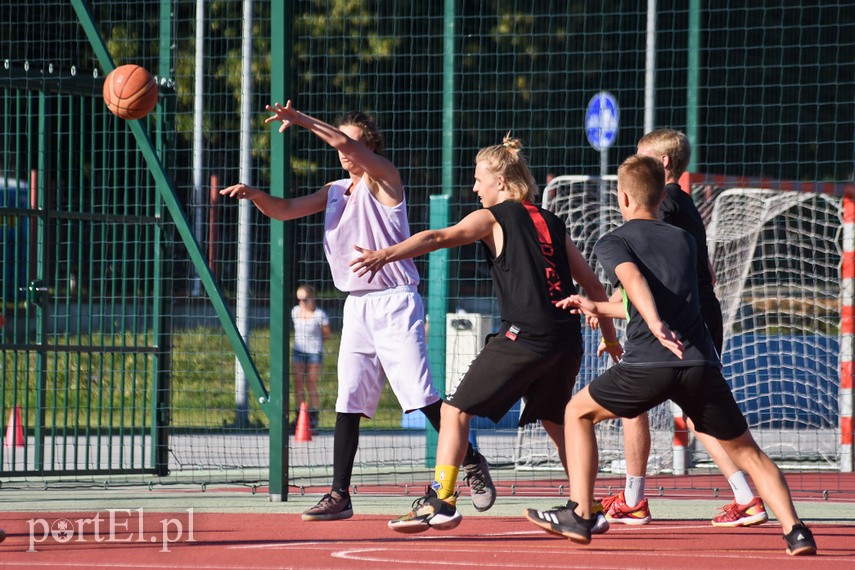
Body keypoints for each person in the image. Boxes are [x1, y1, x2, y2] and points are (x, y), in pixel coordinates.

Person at [525, 154, 816, 556]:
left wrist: (656, 325)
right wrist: (600, 307)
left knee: (577, 413)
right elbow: (660, 297)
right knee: (747, 450)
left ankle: (579, 513)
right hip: (698, 363)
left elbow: (632, 280)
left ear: (622, 197)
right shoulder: (685, 240)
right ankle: (796, 530)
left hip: (650, 363)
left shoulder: (615, 240)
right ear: (663, 196)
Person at [221, 101, 494, 521]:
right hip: (358, 306)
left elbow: (344, 141)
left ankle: (472, 460)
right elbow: (287, 210)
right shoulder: (334, 191)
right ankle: (339, 494)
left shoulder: (385, 179)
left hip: (396, 300)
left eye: (353, 144)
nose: (345, 151)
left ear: (370, 148)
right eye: (341, 145)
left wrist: (301, 119)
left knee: (421, 396)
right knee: (347, 398)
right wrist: (256, 196)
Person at [350, 136, 621, 533]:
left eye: (479, 180)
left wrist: (384, 254)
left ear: (502, 182)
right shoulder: (551, 221)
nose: (475, 188)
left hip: (525, 337)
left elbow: (438, 238)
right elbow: (595, 289)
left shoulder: (495, 216)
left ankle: (439, 500)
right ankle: (587, 507)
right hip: (566, 339)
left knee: (453, 411)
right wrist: (611, 338)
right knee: (559, 421)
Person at [597, 129, 767, 528]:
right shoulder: (685, 204)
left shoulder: (666, 203)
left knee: (633, 396)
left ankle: (635, 498)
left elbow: (658, 273)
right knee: (695, 412)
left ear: (663, 164)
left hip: (679, 316)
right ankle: (743, 495)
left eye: (642, 157)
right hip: (696, 312)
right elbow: (701, 269)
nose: (635, 164)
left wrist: (616, 308)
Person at [290, 284, 330, 432]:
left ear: (312, 299)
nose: (301, 302)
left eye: (304, 299)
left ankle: (313, 417)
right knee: (298, 383)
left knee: (311, 383)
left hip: (314, 352)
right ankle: (299, 415)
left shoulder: (320, 315)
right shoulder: (295, 311)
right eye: (299, 299)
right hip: (299, 351)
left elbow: (327, 334)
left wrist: (315, 343)